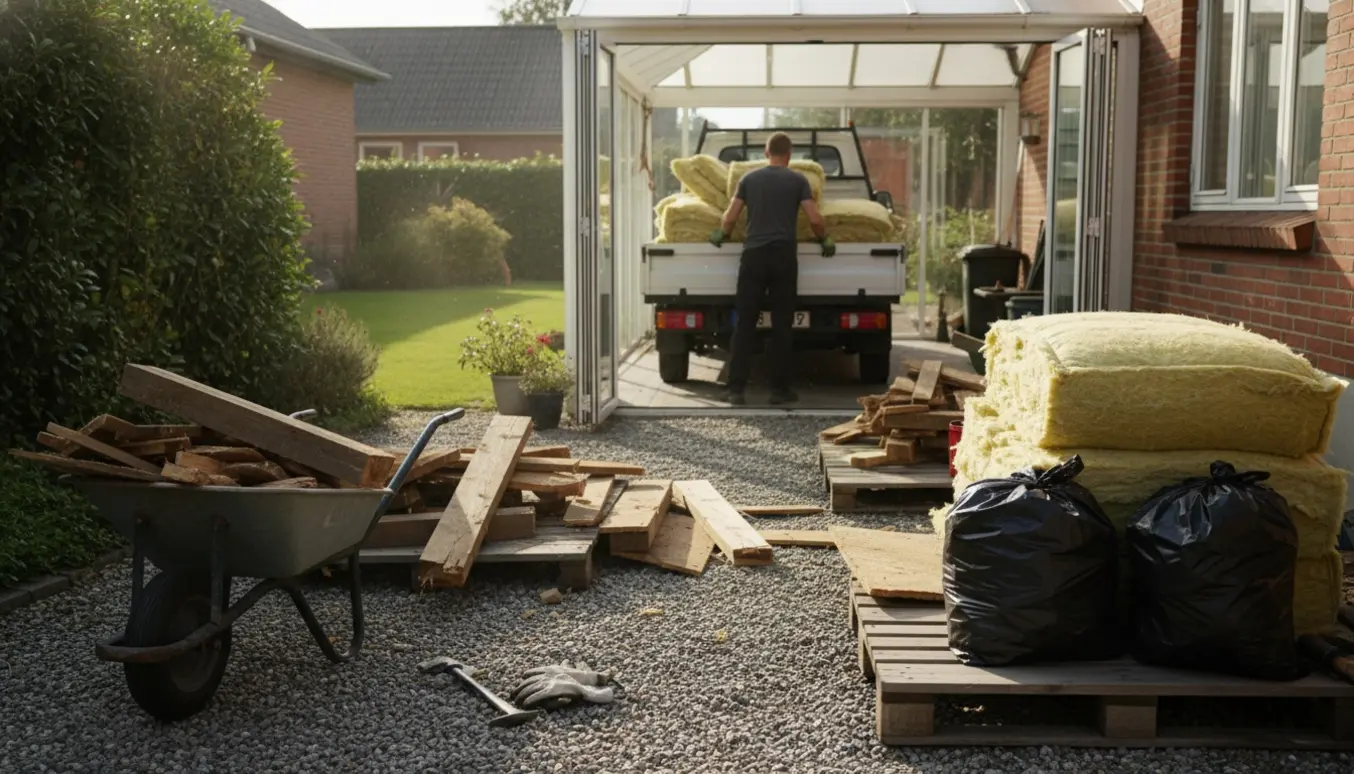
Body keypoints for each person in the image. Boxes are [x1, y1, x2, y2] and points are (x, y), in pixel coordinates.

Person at [708, 132, 835, 406]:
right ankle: (780, 391)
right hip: (783, 258)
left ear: (766, 153)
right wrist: (823, 237)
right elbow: (814, 217)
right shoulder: (798, 180)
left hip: (753, 256)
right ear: (789, 155)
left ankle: (735, 390)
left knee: (744, 323)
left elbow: (730, 216)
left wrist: (722, 233)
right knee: (782, 325)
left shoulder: (749, 179)